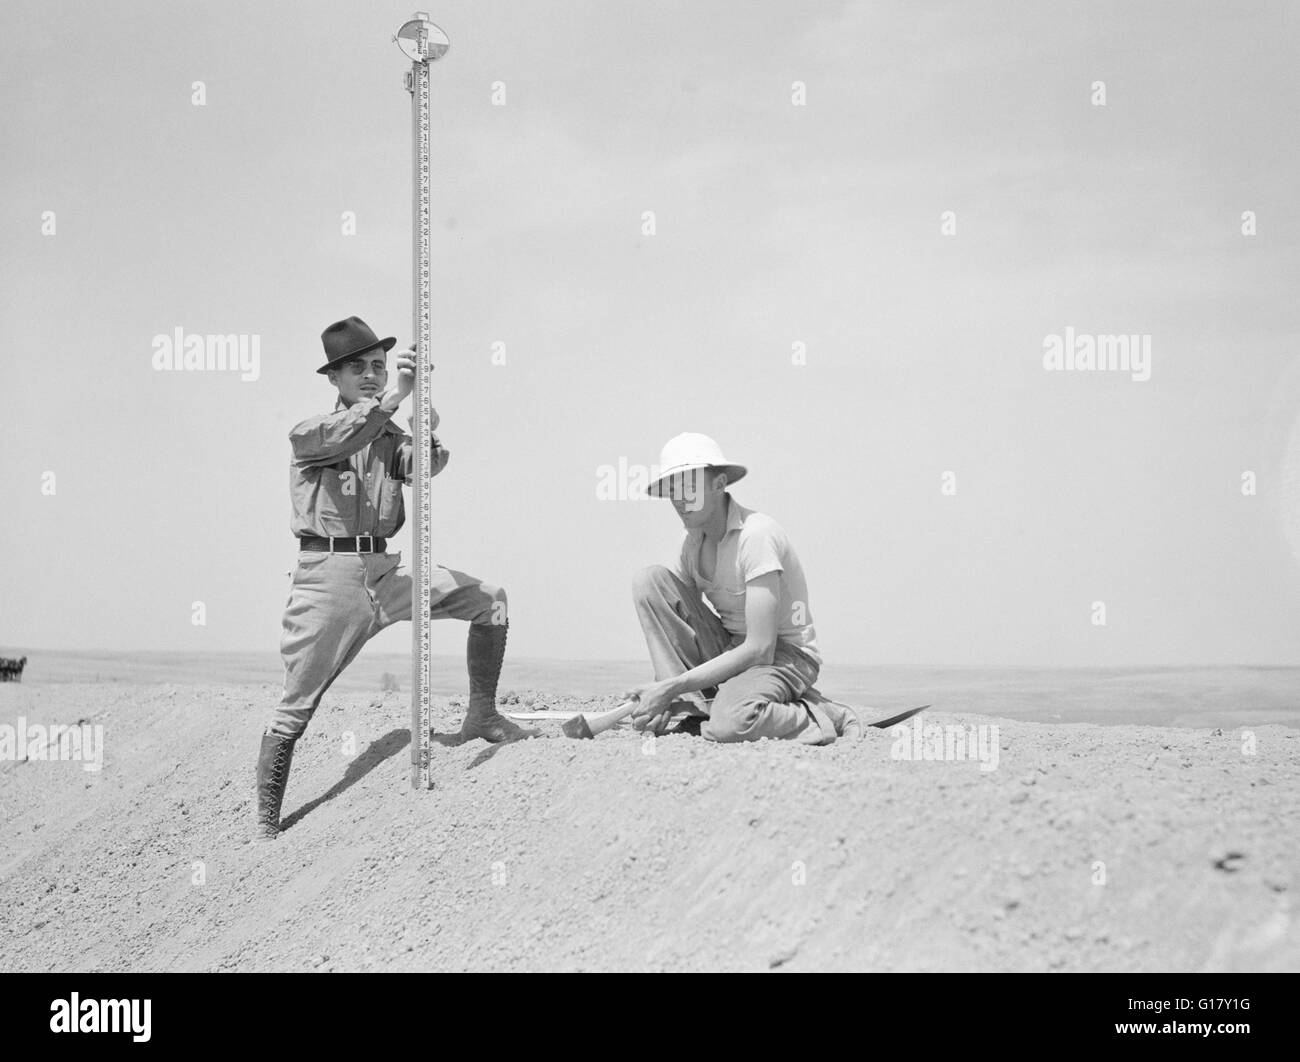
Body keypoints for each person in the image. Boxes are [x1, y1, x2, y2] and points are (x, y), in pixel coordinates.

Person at [255, 316, 536, 842]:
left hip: (385, 570)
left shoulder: (389, 434)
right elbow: (345, 435)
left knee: (490, 600)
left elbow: (424, 468)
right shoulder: (311, 431)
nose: (370, 374)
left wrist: (426, 427)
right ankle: (266, 826)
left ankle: (482, 717)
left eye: (379, 367)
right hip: (328, 579)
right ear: (333, 379)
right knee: (296, 704)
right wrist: (392, 401)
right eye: (357, 367)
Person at [625, 432, 860, 744]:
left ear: (719, 484)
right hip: (732, 647)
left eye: (689, 487)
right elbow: (678, 627)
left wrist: (672, 687)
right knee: (649, 580)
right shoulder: (692, 545)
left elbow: (761, 648)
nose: (680, 500)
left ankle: (823, 715)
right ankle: (687, 711)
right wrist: (665, 696)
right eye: (673, 491)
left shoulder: (756, 536)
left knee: (730, 724)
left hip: (783, 656)